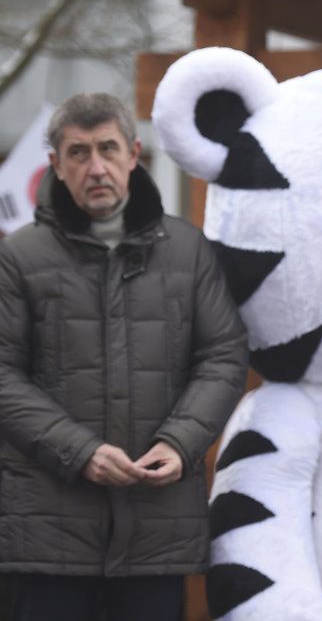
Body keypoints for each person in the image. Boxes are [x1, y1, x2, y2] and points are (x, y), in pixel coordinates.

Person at [0, 93, 248, 621]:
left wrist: (181, 442)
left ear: (134, 154)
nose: (96, 167)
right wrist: (80, 451)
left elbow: (223, 355)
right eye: (79, 153)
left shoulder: (188, 250)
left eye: (108, 149)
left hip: (155, 530)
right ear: (56, 165)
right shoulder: (18, 258)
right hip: (47, 535)